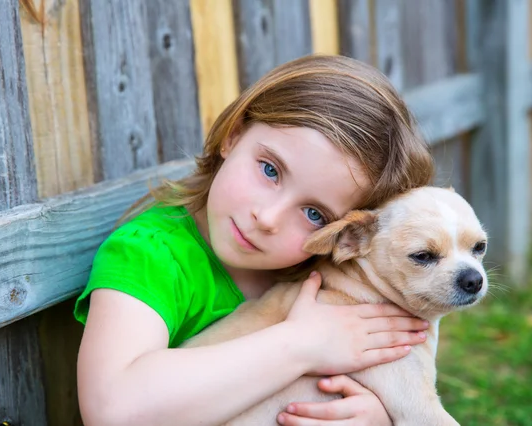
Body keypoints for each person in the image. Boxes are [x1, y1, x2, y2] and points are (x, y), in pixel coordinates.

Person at [75, 55, 435, 426]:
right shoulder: (149, 255)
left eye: (315, 215)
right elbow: (112, 409)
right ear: (233, 134)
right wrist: (301, 345)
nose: (267, 218)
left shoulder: (321, 272)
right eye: (270, 170)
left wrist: (375, 416)